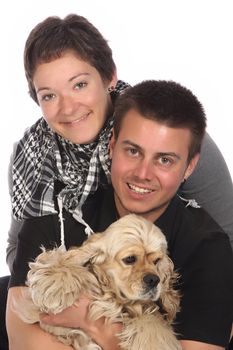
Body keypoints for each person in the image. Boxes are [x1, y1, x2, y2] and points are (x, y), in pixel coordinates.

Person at [2, 12, 233, 349]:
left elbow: (222, 241)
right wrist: (84, 285)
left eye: (80, 84)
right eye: (48, 95)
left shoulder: (166, 128)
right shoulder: (39, 168)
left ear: (109, 78)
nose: (68, 108)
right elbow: (20, 249)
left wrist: (103, 322)